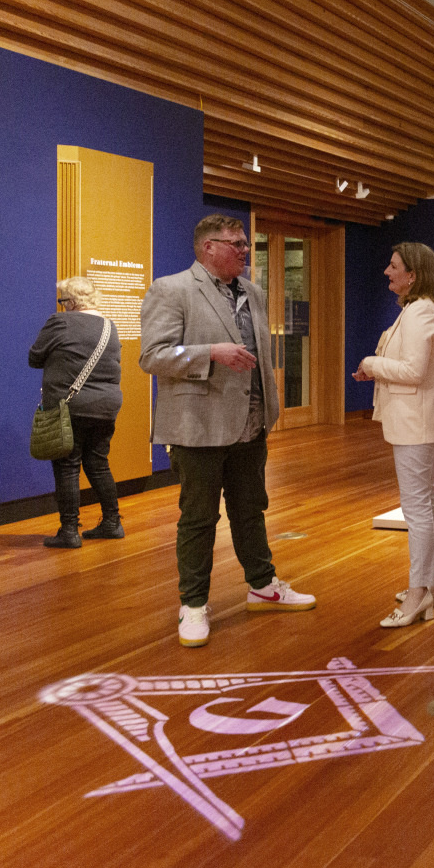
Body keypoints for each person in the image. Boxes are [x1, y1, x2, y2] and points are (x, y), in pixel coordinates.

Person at [140, 214, 315, 648]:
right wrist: (210, 353)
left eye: (245, 244)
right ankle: (193, 604)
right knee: (199, 518)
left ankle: (263, 585)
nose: (245, 251)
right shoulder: (172, 289)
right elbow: (153, 356)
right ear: (208, 248)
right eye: (236, 244)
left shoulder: (253, 292)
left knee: (250, 510)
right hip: (197, 427)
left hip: (250, 426)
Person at [353, 242, 434, 628]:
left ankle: (419, 592)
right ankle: (428, 586)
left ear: (413, 274)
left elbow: (413, 371)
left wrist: (371, 363)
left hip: (417, 423)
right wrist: (376, 368)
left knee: (416, 508)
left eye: (393, 266)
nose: (387, 271)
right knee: (424, 503)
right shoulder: (419, 309)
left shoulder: (420, 311)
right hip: (417, 421)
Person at [28, 276, 123, 548]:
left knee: (67, 466)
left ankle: (69, 531)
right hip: (106, 405)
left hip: (71, 406)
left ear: (71, 301)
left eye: (63, 301)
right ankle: (112, 522)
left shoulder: (60, 322)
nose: (62, 305)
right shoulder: (109, 326)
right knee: (98, 463)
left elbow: (34, 357)